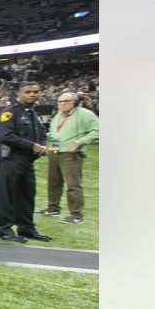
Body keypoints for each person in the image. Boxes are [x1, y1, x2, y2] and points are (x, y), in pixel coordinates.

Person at [0, 82, 52, 243]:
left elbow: (41, 134)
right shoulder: (9, 113)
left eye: (36, 91)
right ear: (19, 94)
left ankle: (26, 228)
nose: (32, 94)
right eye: (28, 92)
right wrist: (32, 146)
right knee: (6, 195)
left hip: (26, 161)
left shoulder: (34, 114)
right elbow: (5, 136)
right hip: (8, 160)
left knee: (27, 196)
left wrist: (42, 146)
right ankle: (2, 229)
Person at [40, 91, 99, 224]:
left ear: (75, 103)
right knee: (53, 182)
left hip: (71, 154)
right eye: (60, 101)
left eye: (67, 101)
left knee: (73, 184)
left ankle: (76, 214)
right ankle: (53, 208)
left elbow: (97, 130)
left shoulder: (85, 114)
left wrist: (80, 142)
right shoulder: (58, 115)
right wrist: (52, 150)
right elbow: (55, 134)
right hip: (55, 151)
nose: (63, 104)